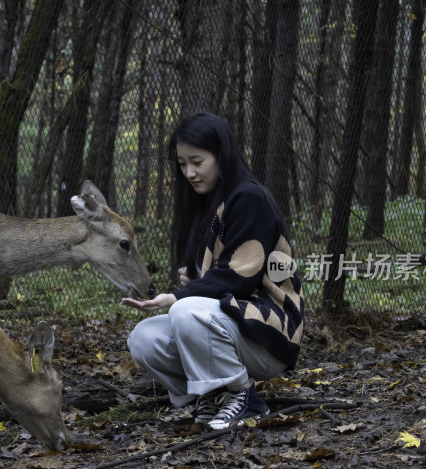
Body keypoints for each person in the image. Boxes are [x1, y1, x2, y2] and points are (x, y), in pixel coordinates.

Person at [122, 112, 304, 430]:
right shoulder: (208, 202)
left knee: (185, 310)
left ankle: (244, 398)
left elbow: (240, 277)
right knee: (144, 337)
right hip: (236, 327)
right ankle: (211, 395)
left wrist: (182, 294)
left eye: (197, 161)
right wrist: (198, 283)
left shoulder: (249, 198)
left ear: (221, 155)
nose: (189, 173)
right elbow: (223, 278)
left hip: (269, 335)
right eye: (182, 164)